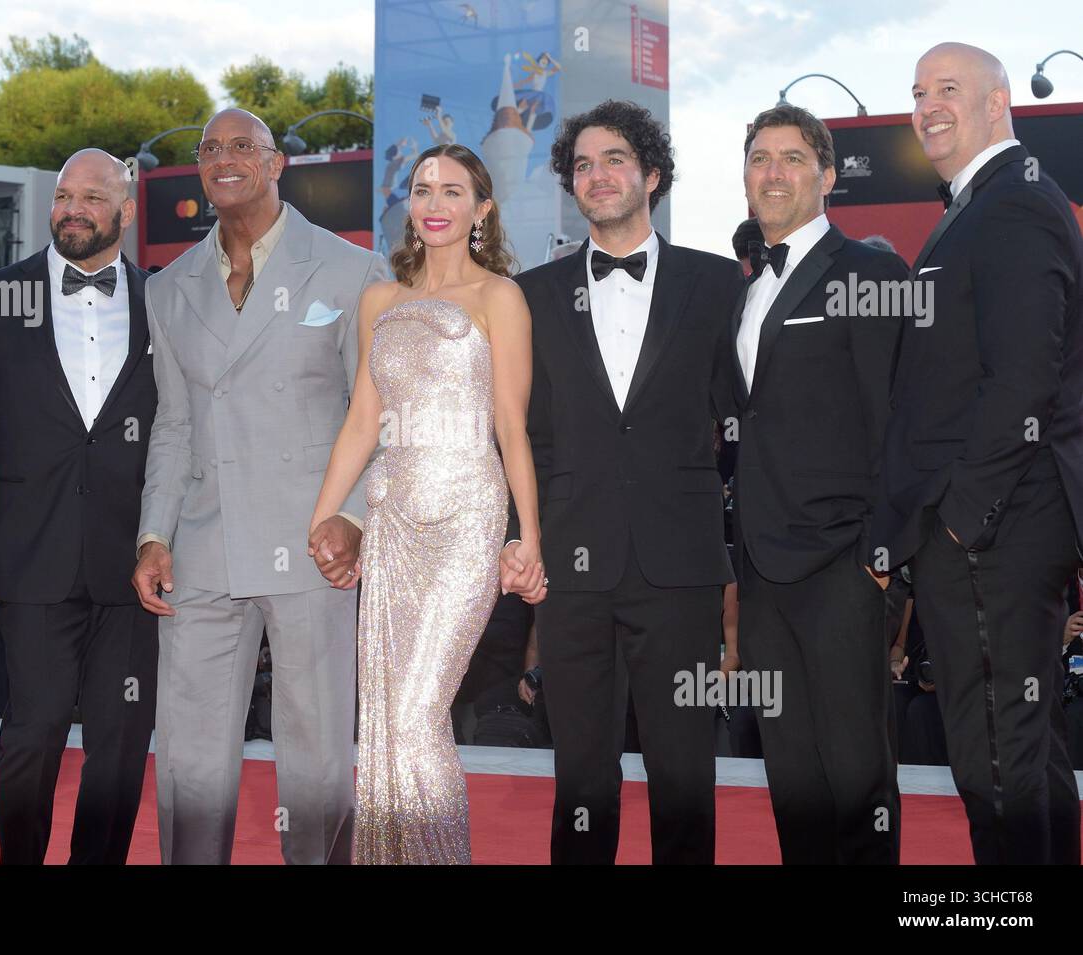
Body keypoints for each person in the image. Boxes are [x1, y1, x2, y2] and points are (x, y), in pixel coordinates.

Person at [132, 108, 387, 865]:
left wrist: (352, 519)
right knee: (188, 754)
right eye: (210, 148)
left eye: (243, 145)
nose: (224, 158)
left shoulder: (350, 270)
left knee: (315, 755)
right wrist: (153, 535)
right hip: (202, 548)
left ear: (278, 164)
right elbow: (173, 426)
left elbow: (374, 420)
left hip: (312, 547)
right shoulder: (169, 287)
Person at [506, 100, 743, 864]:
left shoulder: (715, 285)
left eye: (614, 159)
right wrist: (526, 539)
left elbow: (744, 417)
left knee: (683, 769)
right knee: (581, 773)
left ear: (653, 174)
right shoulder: (531, 295)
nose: (597, 175)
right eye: (582, 164)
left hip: (681, 568)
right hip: (572, 568)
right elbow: (523, 436)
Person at [874, 42, 1083, 865]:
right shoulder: (982, 203)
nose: (927, 104)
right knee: (1026, 753)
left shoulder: (1014, 203)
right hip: (1001, 527)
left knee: (994, 758)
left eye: (948, 89)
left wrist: (962, 521)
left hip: (997, 530)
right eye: (919, 90)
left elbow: (1025, 376)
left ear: (1000, 102)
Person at [309, 143, 545, 864]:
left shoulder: (499, 297)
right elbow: (360, 422)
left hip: (464, 521)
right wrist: (321, 516)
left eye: (452, 190)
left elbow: (511, 424)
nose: (434, 203)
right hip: (391, 521)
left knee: (415, 714)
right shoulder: (381, 299)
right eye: (421, 189)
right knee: (383, 717)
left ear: (483, 207)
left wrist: (526, 535)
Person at [0, 149, 158, 864]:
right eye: (63, 195)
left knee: (120, 743)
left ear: (126, 210)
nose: (73, 208)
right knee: (31, 735)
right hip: (32, 559)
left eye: (93, 196)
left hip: (136, 561)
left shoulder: (167, 302)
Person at [729, 105, 906, 864]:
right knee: (792, 772)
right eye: (760, 158)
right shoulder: (739, 289)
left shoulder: (870, 273)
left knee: (857, 773)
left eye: (794, 158)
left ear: (829, 176)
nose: (774, 172)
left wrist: (884, 560)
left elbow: (898, 420)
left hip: (845, 564)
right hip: (763, 571)